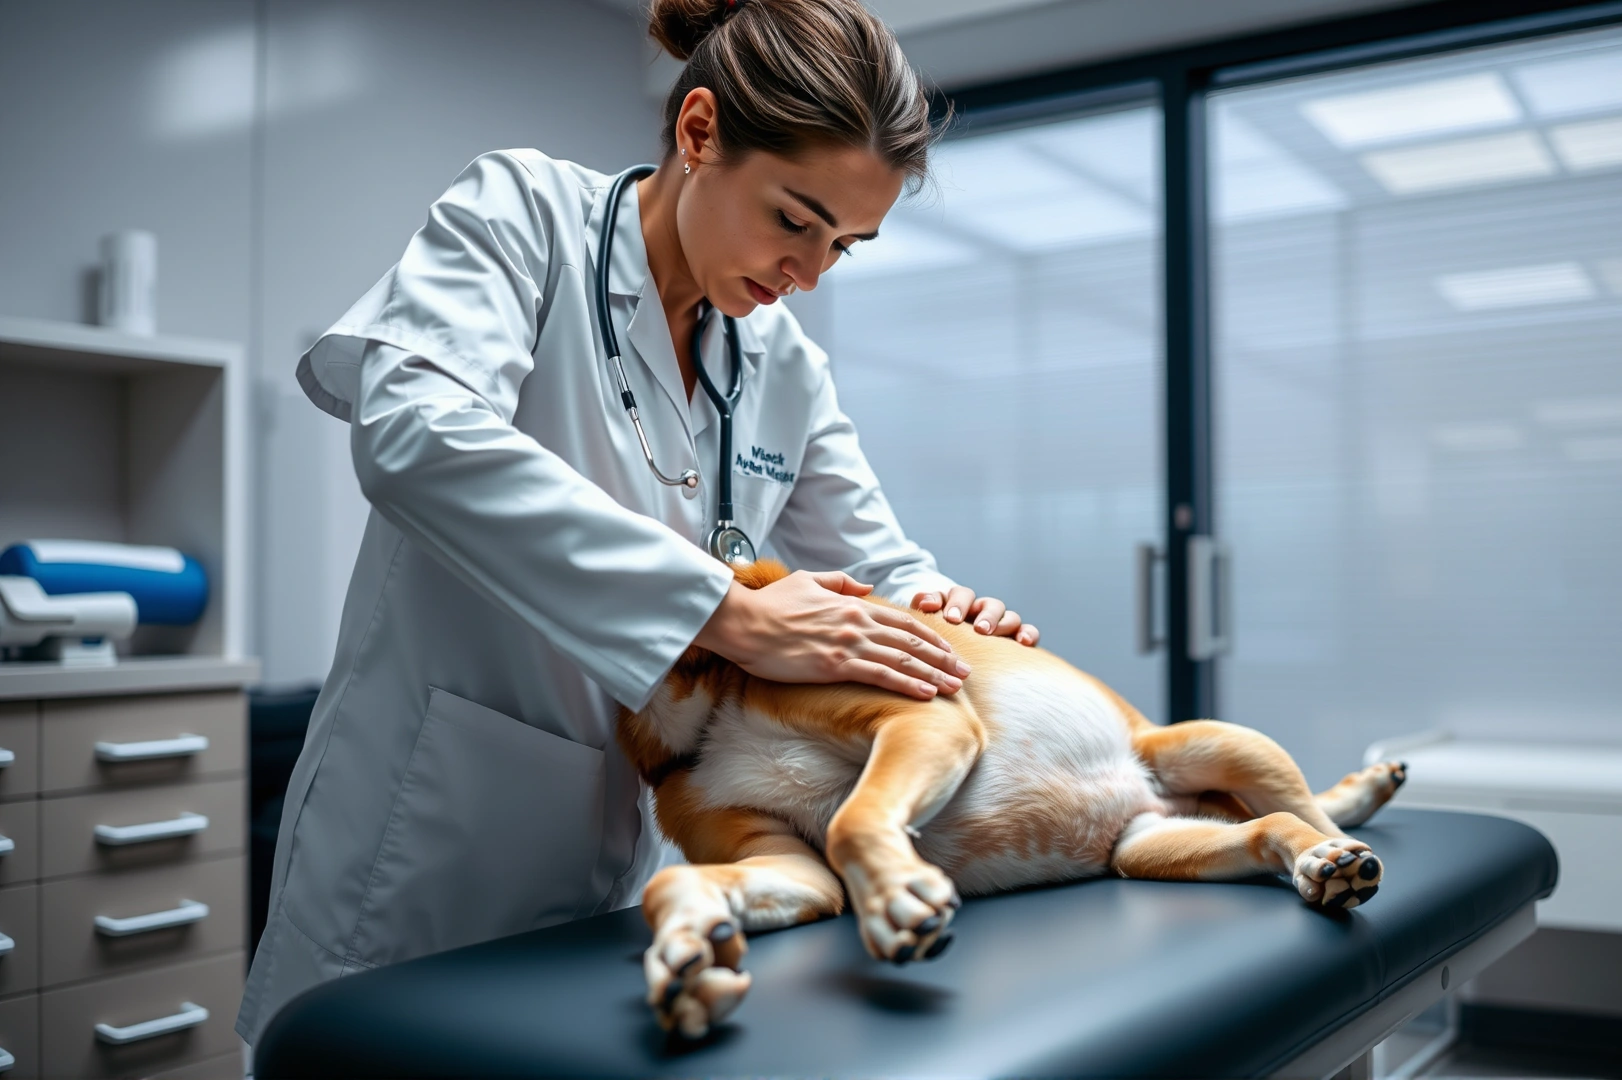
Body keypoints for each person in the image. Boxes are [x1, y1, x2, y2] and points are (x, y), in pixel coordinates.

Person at [239, 0, 1037, 1041]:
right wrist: (726, 612)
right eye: (795, 219)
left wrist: (936, 609)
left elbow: (878, 561)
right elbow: (418, 436)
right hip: (429, 844)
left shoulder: (782, 360)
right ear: (699, 133)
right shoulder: (525, 214)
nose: (807, 272)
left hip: (638, 854)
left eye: (846, 245)